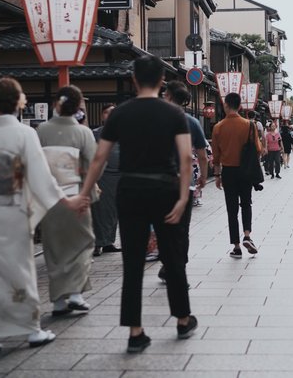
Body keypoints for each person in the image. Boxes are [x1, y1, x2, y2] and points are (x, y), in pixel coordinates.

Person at [0, 78, 89, 358]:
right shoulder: (24, 134)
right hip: (13, 211)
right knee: (19, 270)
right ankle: (31, 328)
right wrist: (67, 200)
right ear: (19, 101)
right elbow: (41, 179)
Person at [79, 56, 195, 353]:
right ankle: (182, 319)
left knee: (132, 260)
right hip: (166, 188)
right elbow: (185, 158)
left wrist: (84, 192)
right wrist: (183, 197)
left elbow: (99, 158)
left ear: (134, 80)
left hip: (130, 188)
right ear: (161, 82)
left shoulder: (119, 114)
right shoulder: (173, 114)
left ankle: (135, 331)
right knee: (172, 254)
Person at [36, 85, 97, 317]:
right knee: (82, 242)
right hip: (77, 194)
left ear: (56, 104)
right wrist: (88, 193)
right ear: (79, 106)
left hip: (49, 197)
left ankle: (59, 301)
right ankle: (75, 294)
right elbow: (93, 166)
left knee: (54, 245)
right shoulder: (83, 133)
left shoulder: (41, 130)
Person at [161, 81, 208, 283]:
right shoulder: (192, 122)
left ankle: (168, 264)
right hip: (185, 181)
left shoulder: (158, 119)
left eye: (165, 94)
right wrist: (203, 176)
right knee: (182, 228)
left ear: (170, 97)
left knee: (163, 226)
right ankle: (179, 265)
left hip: (161, 180)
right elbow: (202, 155)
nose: (163, 97)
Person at [212, 92, 262, 259]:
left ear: (226, 105)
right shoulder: (249, 125)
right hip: (246, 170)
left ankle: (236, 246)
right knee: (246, 203)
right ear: (240, 106)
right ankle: (247, 235)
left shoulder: (218, 127)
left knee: (231, 209)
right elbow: (258, 148)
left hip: (228, 171)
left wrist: (217, 175)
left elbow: (216, 154)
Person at [91, 104, 121, 255]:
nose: (109, 115)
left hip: (121, 174)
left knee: (114, 211)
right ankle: (97, 243)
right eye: (106, 113)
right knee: (101, 210)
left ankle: (109, 241)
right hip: (104, 175)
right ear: (102, 116)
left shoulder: (124, 132)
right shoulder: (96, 133)